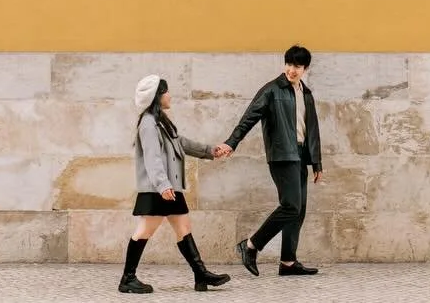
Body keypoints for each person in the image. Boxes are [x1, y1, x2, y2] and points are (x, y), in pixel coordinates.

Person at [215, 45, 323, 277]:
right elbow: (249, 118)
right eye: (289, 64)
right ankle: (251, 245)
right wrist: (231, 142)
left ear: (305, 69)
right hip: (282, 155)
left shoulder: (306, 93)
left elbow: (312, 129)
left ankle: (288, 262)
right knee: (291, 206)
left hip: (301, 156)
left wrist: (316, 162)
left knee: (299, 209)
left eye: (297, 66)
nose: (292, 70)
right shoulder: (272, 90)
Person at [120, 74, 232, 294]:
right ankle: (127, 278)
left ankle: (200, 275)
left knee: (183, 228)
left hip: (169, 188)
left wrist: (210, 150)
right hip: (158, 190)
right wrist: (163, 186)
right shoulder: (149, 124)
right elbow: (152, 159)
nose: (169, 95)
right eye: (166, 92)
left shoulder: (161, 121)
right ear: (156, 96)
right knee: (144, 230)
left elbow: (182, 143)